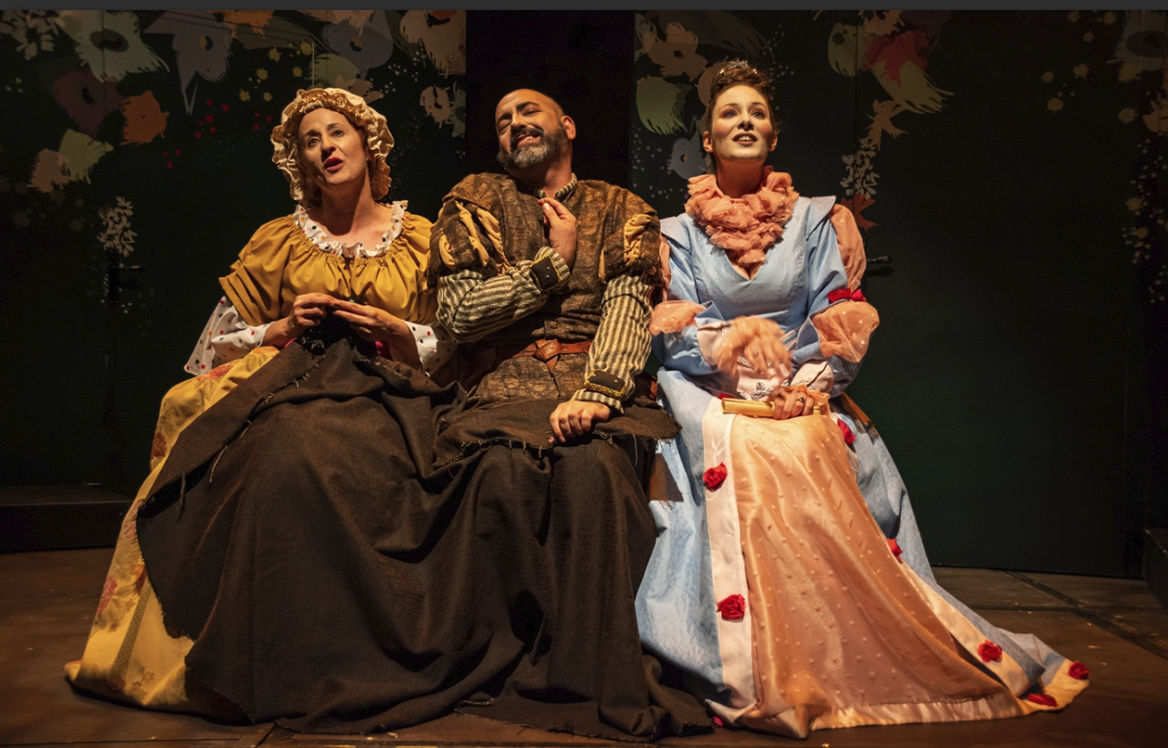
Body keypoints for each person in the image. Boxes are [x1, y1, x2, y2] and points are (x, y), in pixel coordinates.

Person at [636, 62, 1089, 738]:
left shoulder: (817, 220)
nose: (745, 122)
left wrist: (804, 386)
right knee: (745, 455)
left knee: (809, 446)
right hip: (710, 388)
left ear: (774, 135)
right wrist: (733, 356)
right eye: (730, 113)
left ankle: (831, 647)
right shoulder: (676, 233)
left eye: (757, 113)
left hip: (801, 384)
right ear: (707, 139)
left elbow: (839, 315)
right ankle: (750, 655)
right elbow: (676, 329)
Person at [65, 87, 461, 732]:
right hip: (290, 383)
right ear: (298, 161)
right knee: (275, 450)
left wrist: (397, 330)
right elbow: (211, 350)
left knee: (342, 458)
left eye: (336, 133)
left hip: (393, 393)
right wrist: (280, 327)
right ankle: (251, 648)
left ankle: (359, 645)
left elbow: (457, 342)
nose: (326, 148)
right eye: (310, 141)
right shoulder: (279, 241)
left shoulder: (422, 239)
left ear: (368, 144)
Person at [426, 88, 711, 740]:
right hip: (504, 386)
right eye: (503, 119)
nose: (515, 124)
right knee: (499, 472)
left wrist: (600, 392)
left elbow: (627, 310)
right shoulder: (473, 202)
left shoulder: (621, 208)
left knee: (596, 473)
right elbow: (459, 316)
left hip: (592, 382)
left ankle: (592, 668)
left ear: (568, 125)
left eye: (528, 112)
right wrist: (550, 266)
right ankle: (502, 663)